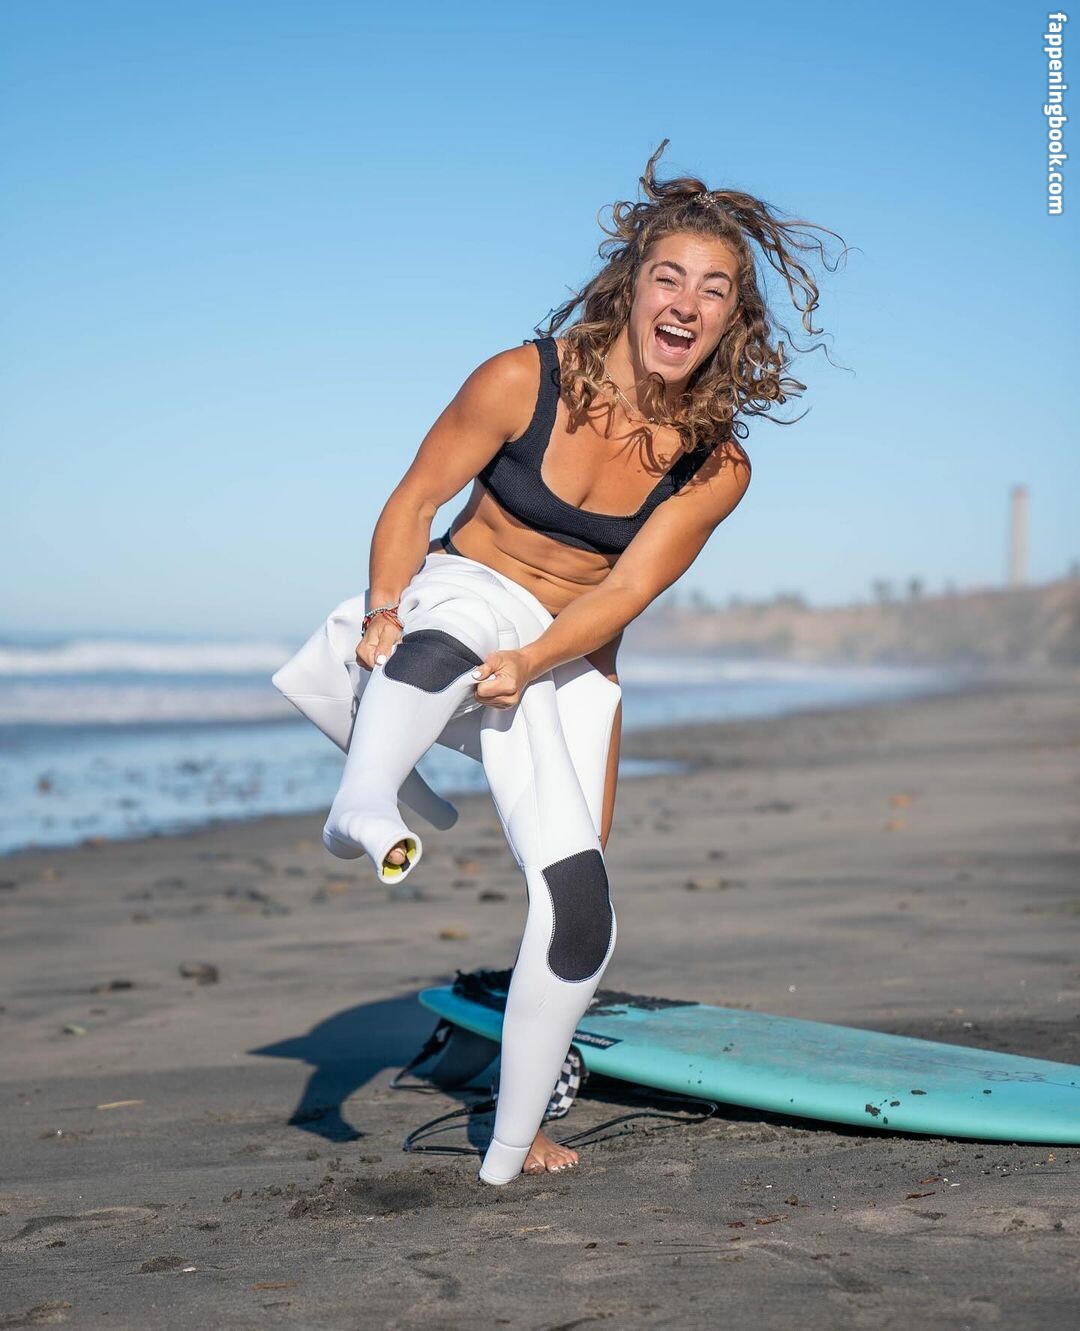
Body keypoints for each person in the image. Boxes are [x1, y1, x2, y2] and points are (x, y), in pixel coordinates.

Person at [322, 140, 844, 1183]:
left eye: (714, 289)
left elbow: (623, 592)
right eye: (669, 277)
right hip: (462, 600)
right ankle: (360, 808)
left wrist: (535, 659)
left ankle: (516, 1130)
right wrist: (382, 606)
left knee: (579, 897)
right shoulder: (523, 379)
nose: (686, 303)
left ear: (732, 318)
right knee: (447, 627)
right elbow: (414, 500)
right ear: (631, 285)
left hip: (571, 664)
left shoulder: (715, 462)